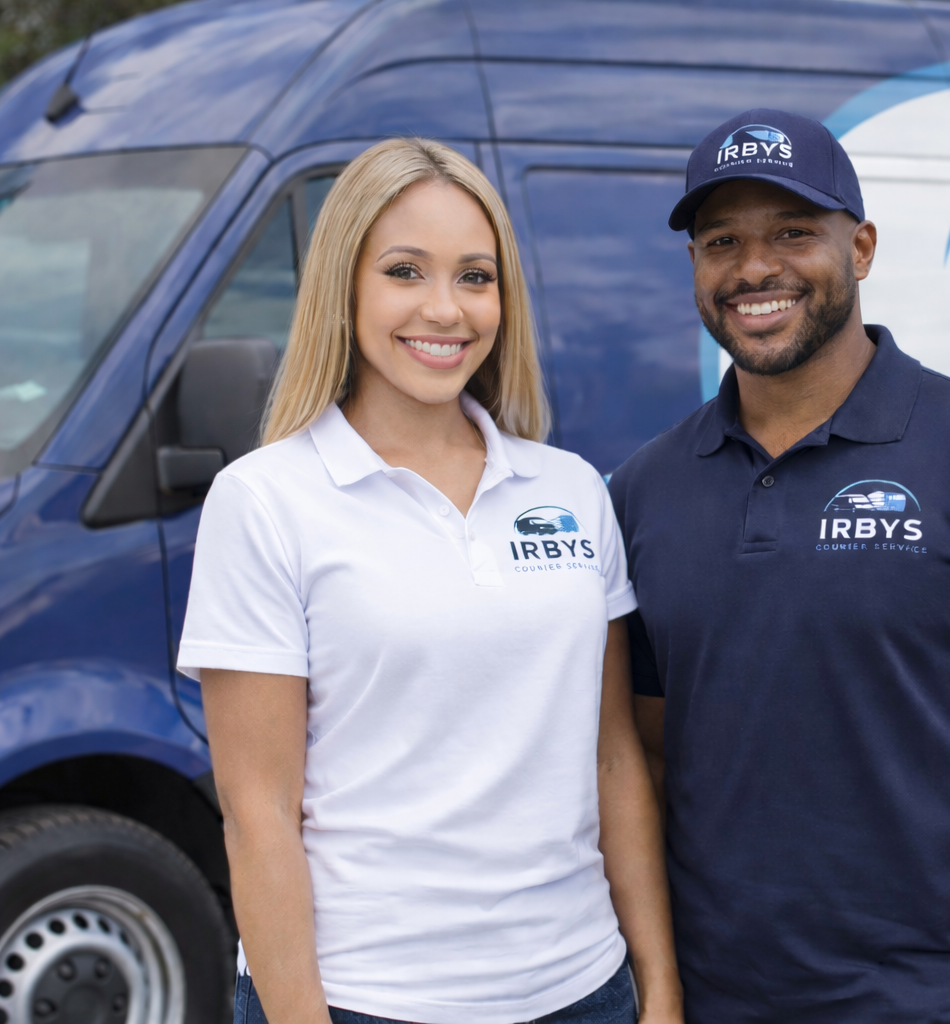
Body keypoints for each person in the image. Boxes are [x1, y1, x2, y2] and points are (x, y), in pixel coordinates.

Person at [608, 109, 950, 1024]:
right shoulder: (647, 489)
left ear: (861, 248)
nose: (754, 269)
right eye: (721, 240)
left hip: (941, 1004)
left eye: (792, 233)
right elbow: (649, 760)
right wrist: (661, 990)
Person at [179, 138, 683, 1024]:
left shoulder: (569, 488)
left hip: (582, 991)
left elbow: (613, 757)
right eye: (405, 271)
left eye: (475, 277)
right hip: (370, 1000)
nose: (445, 309)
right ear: (346, 285)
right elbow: (259, 814)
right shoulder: (264, 500)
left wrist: (661, 987)